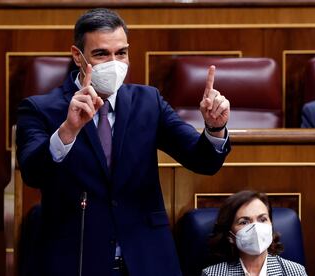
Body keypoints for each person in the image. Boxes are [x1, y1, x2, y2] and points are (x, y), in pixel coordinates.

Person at [16, 8, 231, 276]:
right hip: (76, 259)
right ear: (77, 56)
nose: (114, 62)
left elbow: (203, 160)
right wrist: (68, 131)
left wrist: (215, 127)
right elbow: (33, 173)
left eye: (121, 53)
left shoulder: (148, 101)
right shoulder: (40, 109)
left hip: (146, 258)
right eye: (101, 54)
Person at [202, 191, 307, 276]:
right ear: (230, 236)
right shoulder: (212, 274)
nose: (256, 228)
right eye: (244, 222)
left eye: (262, 219)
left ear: (271, 225)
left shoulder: (295, 272)